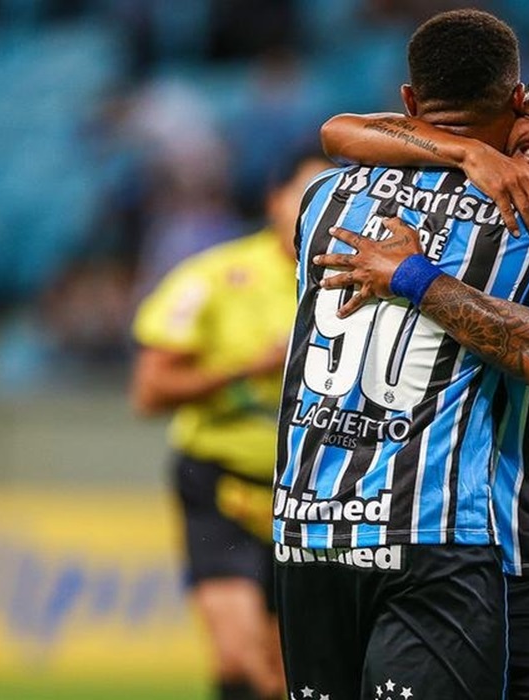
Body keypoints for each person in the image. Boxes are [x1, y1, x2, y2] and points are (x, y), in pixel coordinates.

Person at [273, 10, 529, 699]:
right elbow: (345, 131)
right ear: (508, 105)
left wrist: (414, 276)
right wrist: (468, 154)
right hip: (437, 540)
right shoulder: (493, 213)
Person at [131, 153, 330, 700]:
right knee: (240, 660)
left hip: (314, 499)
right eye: (307, 192)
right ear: (274, 200)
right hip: (222, 484)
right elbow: (149, 390)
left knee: (287, 678)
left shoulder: (360, 287)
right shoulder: (212, 278)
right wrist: (251, 371)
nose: (322, 208)